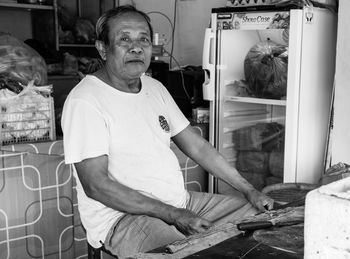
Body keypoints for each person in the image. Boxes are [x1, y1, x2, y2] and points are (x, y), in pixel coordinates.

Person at [61, 5, 274, 259]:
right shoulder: (86, 100)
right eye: (124, 39)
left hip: (180, 203)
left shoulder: (154, 88)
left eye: (144, 39)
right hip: (123, 218)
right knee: (189, 255)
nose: (136, 47)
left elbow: (197, 146)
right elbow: (96, 185)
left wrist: (248, 189)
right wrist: (173, 215)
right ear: (103, 48)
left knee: (258, 222)